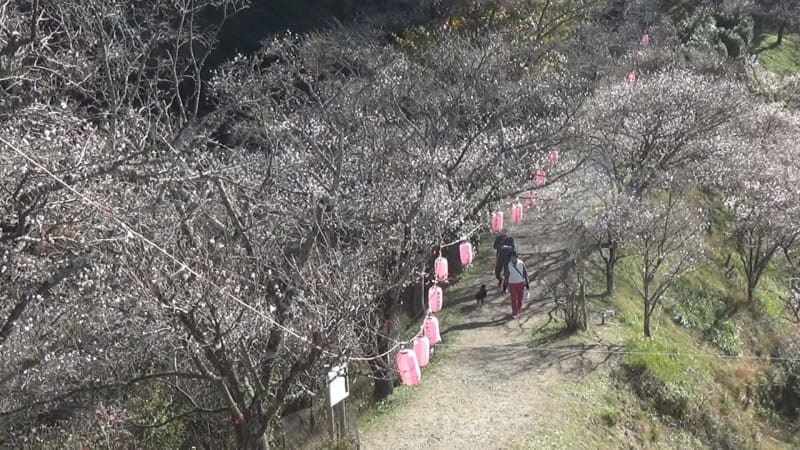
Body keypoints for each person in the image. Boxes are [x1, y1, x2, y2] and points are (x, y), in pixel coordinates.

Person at [504, 251, 530, 318]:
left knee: (520, 298)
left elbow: (525, 273)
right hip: (512, 283)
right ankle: (515, 312)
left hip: (520, 283)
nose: (513, 258)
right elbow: (506, 275)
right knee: (513, 298)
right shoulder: (508, 265)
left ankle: (518, 310)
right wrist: (505, 285)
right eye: (511, 257)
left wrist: (527, 283)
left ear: (516, 257)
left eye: (514, 257)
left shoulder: (521, 263)